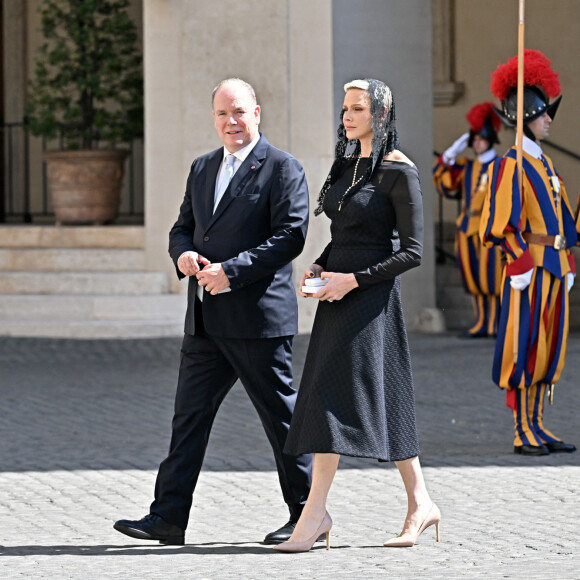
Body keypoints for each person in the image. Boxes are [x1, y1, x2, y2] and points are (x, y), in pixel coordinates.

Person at [114, 78, 313, 545]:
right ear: (214, 118)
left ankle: (307, 514)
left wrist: (233, 272)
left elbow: (291, 236)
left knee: (281, 420)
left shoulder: (283, 168)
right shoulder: (203, 167)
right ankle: (167, 518)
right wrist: (182, 254)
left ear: (257, 113)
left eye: (240, 112)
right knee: (188, 420)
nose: (232, 122)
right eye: (223, 114)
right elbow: (182, 228)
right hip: (205, 321)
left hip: (257, 320)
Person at [274, 78, 439, 553]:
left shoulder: (398, 172)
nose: (348, 116)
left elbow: (410, 252)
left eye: (359, 108)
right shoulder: (347, 164)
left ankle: (313, 516)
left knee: (332, 396)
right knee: (367, 397)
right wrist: (323, 264)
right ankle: (419, 503)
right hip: (336, 294)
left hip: (369, 300)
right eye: (345, 108)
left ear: (381, 114)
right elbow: (346, 230)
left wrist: (353, 279)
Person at [480, 50, 577, 456]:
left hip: (553, 266)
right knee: (526, 347)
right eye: (542, 114)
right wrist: (519, 261)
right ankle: (522, 430)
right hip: (530, 269)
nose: (549, 120)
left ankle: (538, 423)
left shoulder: (545, 164)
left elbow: (560, 221)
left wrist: (568, 259)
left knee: (549, 347)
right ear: (524, 117)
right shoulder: (512, 164)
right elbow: (501, 223)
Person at [433, 102, 503, 337]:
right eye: (474, 139)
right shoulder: (467, 167)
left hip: (491, 230)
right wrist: (451, 152)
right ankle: (481, 321)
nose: (476, 143)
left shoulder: (502, 166)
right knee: (473, 277)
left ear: (490, 139)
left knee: (492, 278)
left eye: (480, 139)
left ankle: (494, 322)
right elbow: (444, 181)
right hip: (466, 227)